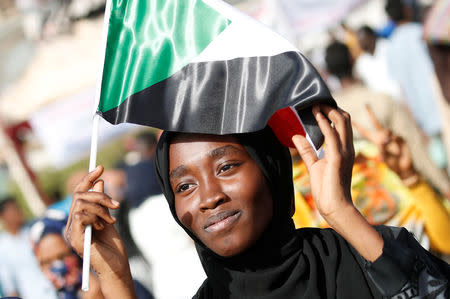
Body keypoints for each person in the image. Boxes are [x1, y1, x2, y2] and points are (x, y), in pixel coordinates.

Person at [65, 105, 449, 298]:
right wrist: (114, 277)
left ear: (271, 169)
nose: (208, 197)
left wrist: (341, 212)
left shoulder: (366, 259)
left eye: (227, 166)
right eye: (183, 187)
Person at [324, 41, 450, 200]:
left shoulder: (330, 116)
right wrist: (444, 185)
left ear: (329, 72)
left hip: (366, 204)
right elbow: (415, 146)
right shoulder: (381, 100)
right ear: (353, 60)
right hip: (409, 197)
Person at [385, 0, 447, 169]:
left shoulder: (391, 48)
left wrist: (414, 123)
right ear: (406, 10)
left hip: (423, 117)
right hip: (443, 105)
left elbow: (400, 90)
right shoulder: (421, 32)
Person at [29, 214, 104, 299]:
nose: (57, 266)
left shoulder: (102, 287)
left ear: (77, 252)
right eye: (46, 262)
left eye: (62, 256)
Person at [0, 197, 58, 299]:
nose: (18, 212)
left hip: (56, 292)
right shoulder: (2, 247)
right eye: (13, 209)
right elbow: (9, 287)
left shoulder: (33, 231)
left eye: (18, 208)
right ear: (3, 216)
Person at [354, 25, 402, 101]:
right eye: (359, 41)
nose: (361, 43)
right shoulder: (361, 63)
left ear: (372, 36)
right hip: (382, 103)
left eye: (362, 39)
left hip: (401, 97)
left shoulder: (389, 47)